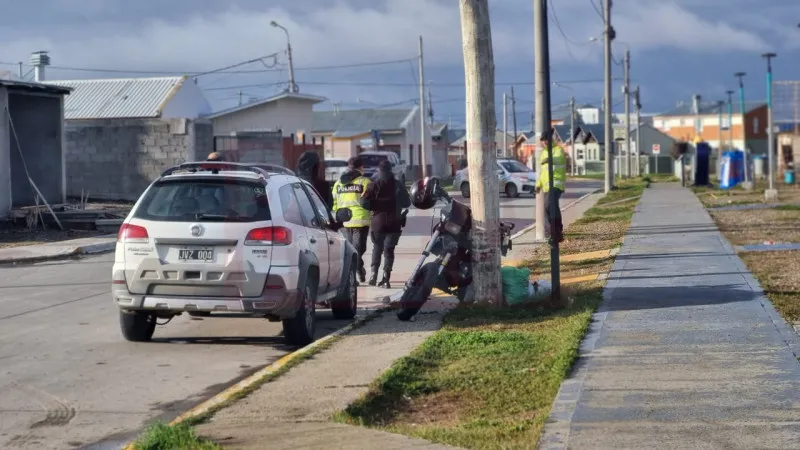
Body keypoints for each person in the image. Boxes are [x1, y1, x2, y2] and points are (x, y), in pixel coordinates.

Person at [363, 159, 411, 289]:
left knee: (377, 247)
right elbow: (407, 203)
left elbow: (363, 203)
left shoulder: (374, 185)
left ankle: (373, 275)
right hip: (394, 222)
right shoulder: (398, 185)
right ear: (391, 170)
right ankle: (386, 277)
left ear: (379, 170)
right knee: (389, 250)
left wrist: (376, 206)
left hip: (378, 222)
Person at [332, 156, 371, 283]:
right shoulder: (364, 182)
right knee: (358, 250)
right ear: (361, 167)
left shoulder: (338, 183)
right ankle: (356, 273)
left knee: (352, 251)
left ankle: (357, 270)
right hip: (360, 220)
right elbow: (370, 201)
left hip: (344, 220)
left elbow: (334, 202)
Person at [535, 131, 567, 244]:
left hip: (556, 184)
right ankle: (556, 232)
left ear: (550, 140)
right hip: (547, 186)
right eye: (543, 141)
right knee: (548, 207)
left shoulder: (557, 150)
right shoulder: (543, 153)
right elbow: (542, 172)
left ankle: (556, 231)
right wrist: (538, 185)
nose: (545, 142)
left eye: (547, 140)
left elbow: (559, 159)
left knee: (550, 205)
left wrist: (550, 159)